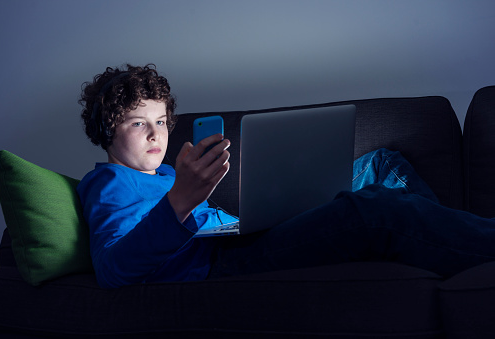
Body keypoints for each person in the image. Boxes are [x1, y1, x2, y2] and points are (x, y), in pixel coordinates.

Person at [77, 64, 495, 288]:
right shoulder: (108, 183)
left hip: (240, 235)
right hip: (219, 267)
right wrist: (179, 203)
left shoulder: (168, 172)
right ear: (106, 130)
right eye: (137, 123)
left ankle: (449, 253)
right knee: (369, 211)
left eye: (162, 121)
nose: (156, 133)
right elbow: (114, 270)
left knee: (381, 164)